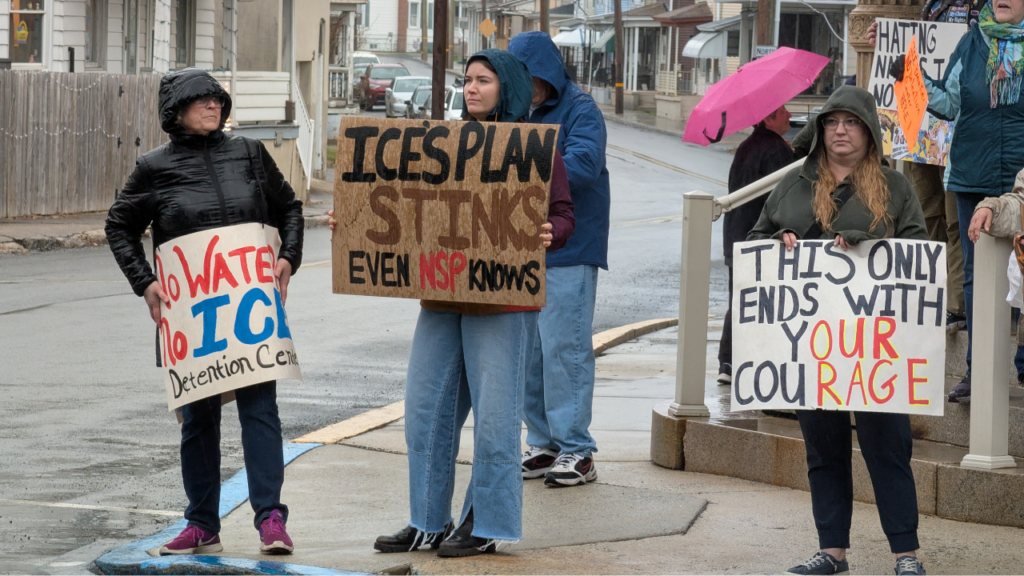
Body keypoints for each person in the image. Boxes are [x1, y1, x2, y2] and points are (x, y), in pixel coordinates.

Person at [335, 50, 575, 557]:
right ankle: (426, 520)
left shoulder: (534, 147)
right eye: (467, 80)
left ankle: (487, 525)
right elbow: (398, 198)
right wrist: (353, 223)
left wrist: (553, 232)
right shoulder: (440, 141)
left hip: (505, 304)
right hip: (442, 297)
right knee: (426, 411)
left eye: (483, 81)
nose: (471, 89)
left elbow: (562, 213)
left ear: (505, 87)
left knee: (495, 419)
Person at [105, 68, 304, 555]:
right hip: (189, 314)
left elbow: (290, 209)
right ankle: (201, 524)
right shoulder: (153, 167)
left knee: (261, 411)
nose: (214, 106)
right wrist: (145, 283)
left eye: (217, 99)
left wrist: (287, 258)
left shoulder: (250, 154)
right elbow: (118, 226)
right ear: (176, 112)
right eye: (201, 101)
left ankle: (271, 520)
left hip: (249, 308)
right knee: (198, 420)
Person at [748, 86, 928, 576]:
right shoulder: (791, 186)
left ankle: (904, 553)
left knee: (887, 446)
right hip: (811, 346)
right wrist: (777, 243)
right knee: (823, 448)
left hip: (875, 346)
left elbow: (917, 253)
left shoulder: (896, 188)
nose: (841, 130)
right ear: (820, 130)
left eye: (851, 122)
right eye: (832, 122)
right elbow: (753, 244)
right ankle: (832, 551)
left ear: (869, 133)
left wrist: (872, 246)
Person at [890, 0, 1024, 401]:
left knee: (1023, 270)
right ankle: (977, 370)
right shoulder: (969, 44)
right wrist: (911, 78)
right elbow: (947, 104)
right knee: (975, 276)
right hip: (972, 177)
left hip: (1021, 181)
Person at [508, 31, 611, 486]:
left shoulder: (581, 108)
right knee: (530, 354)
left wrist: (527, 163)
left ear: (548, 74)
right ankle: (546, 443)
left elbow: (585, 164)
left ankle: (577, 449)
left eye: (530, 77)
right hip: (521, 251)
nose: (524, 85)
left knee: (564, 352)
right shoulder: (514, 111)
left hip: (570, 249)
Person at [866, 19, 969, 340]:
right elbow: (906, 51)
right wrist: (880, 43)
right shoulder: (931, 9)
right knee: (924, 217)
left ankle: (957, 305)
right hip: (918, 133)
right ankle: (929, 296)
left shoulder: (989, 15)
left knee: (956, 223)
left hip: (958, 136)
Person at [715, 105, 795, 386]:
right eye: (783, 111)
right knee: (758, 302)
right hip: (760, 238)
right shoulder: (776, 151)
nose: (789, 114)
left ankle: (728, 361)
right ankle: (746, 359)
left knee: (740, 299)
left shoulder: (748, 146)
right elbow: (786, 196)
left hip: (735, 235)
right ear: (768, 117)